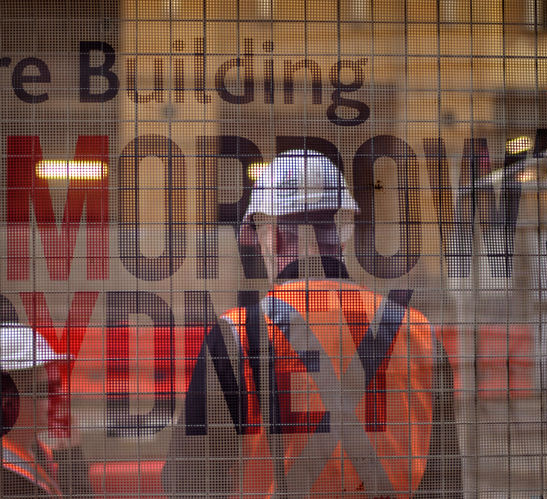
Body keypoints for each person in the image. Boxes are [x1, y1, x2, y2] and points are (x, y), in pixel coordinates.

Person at [163, 150, 461, 497]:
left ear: (271, 235)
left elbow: (187, 480)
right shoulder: (417, 332)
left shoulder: (238, 335)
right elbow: (443, 481)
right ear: (344, 234)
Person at [0, 323, 92, 498]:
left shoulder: (28, 450)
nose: (60, 398)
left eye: (57, 386)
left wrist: (70, 457)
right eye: (43, 390)